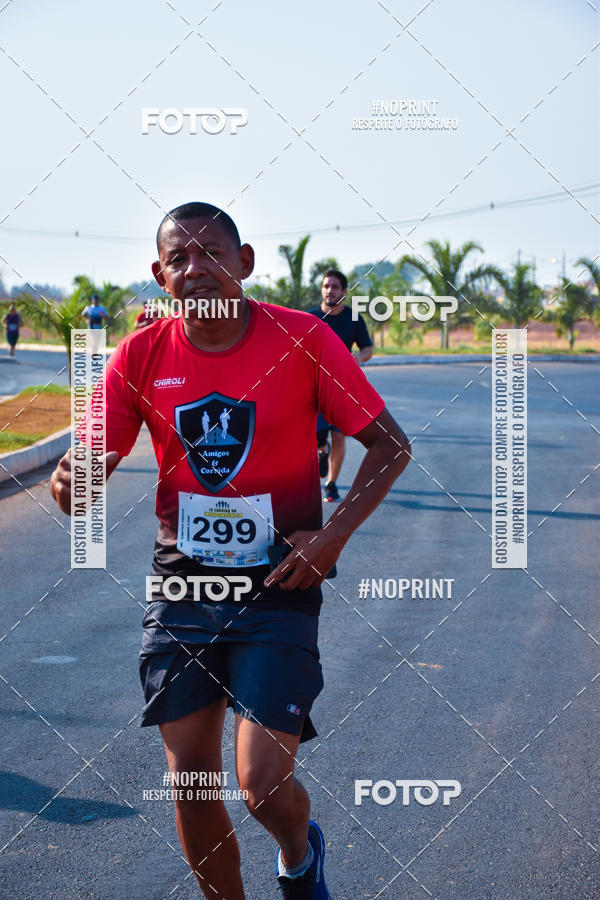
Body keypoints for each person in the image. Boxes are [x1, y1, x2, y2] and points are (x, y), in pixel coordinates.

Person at [50, 202, 410, 900]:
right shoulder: (140, 353)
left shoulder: (303, 339)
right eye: (179, 259)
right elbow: (85, 478)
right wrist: (73, 482)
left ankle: (300, 858)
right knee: (189, 781)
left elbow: (389, 447)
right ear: (161, 276)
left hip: (278, 585)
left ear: (243, 263)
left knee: (261, 785)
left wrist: (331, 536)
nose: (196, 268)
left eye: (211, 252)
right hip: (181, 591)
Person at [307, 271, 373, 502]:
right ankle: (321, 451)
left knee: (339, 436)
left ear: (344, 292)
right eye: (326, 286)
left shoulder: (354, 319)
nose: (329, 290)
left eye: (335, 287)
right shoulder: (309, 318)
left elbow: (367, 349)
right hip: (312, 388)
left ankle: (331, 484)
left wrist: (354, 359)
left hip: (341, 388)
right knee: (315, 438)